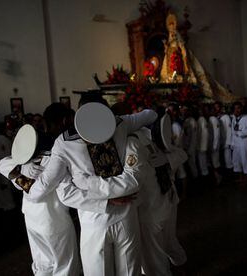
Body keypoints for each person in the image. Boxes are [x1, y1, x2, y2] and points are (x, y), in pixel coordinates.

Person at [25, 98, 157, 276]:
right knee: (129, 269)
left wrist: (91, 187)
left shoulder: (63, 143)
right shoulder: (120, 123)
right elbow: (150, 115)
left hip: (94, 218)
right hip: (126, 212)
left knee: (99, 270)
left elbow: (60, 191)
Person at [0, 103, 82, 276]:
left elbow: (2, 163)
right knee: (65, 266)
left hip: (32, 218)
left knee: (42, 265)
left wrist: (20, 171)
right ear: (66, 120)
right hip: (54, 219)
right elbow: (40, 191)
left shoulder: (23, 161)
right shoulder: (59, 155)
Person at [231, 102, 247, 185]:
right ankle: (240, 178)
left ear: (241, 109)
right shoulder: (234, 119)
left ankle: (246, 180)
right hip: (236, 144)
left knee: (245, 161)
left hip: (244, 143)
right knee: (237, 161)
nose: (237, 110)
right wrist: (232, 143)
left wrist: (241, 133)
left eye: (238, 108)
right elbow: (233, 132)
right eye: (235, 108)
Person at [214, 101, 233, 172]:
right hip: (220, 141)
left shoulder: (226, 117)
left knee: (228, 158)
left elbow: (229, 130)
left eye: (217, 107)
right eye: (215, 108)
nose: (216, 109)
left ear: (221, 108)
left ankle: (230, 171)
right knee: (221, 159)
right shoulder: (216, 117)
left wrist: (228, 142)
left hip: (226, 141)